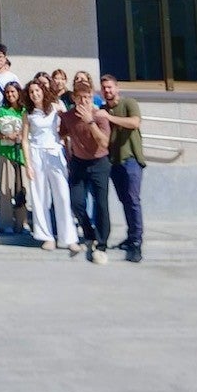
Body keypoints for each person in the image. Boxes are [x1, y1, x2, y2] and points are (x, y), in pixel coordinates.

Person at [60, 77, 113, 264]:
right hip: (78, 162)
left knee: (101, 204)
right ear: (74, 98)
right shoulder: (68, 116)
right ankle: (89, 233)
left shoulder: (100, 116)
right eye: (80, 97)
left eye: (88, 97)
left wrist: (90, 122)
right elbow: (61, 132)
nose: (84, 101)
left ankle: (102, 245)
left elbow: (104, 142)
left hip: (99, 162)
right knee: (76, 202)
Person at [21, 79, 75, 251]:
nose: (35, 94)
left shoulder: (56, 107)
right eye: (31, 92)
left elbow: (67, 131)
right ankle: (46, 236)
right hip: (36, 155)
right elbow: (24, 141)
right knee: (40, 196)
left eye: (37, 90)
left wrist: (69, 153)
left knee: (62, 195)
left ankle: (68, 238)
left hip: (55, 153)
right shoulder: (28, 113)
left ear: (43, 91)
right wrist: (28, 165)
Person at [101, 74, 146, 263]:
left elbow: (134, 122)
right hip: (113, 161)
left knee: (133, 200)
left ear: (117, 88)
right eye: (104, 88)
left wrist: (109, 117)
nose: (107, 91)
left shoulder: (128, 103)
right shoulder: (102, 109)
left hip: (131, 159)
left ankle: (136, 243)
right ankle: (130, 237)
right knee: (124, 200)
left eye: (110, 87)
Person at [0, 80, 28, 235]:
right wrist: (6, 135)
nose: (10, 95)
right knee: (5, 189)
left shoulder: (25, 111)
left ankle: (22, 223)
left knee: (22, 189)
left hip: (22, 154)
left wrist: (22, 136)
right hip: (5, 153)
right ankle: (6, 222)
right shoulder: (1, 111)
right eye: (7, 92)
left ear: (19, 92)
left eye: (13, 91)